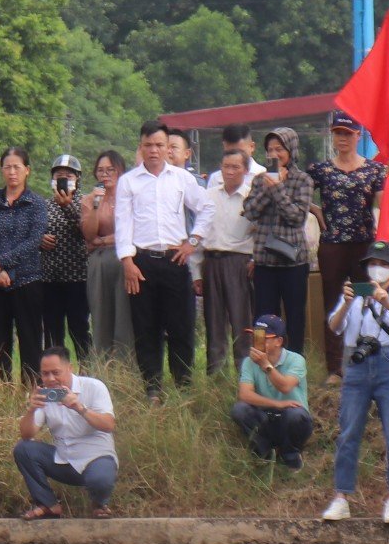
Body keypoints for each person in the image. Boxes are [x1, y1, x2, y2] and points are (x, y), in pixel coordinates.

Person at [322, 240, 389, 524]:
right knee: (348, 432)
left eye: (384, 265)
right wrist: (348, 302)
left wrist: (386, 301)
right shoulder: (354, 294)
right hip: (356, 364)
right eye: (374, 264)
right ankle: (341, 497)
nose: (378, 269)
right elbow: (334, 326)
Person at [116, 122, 207, 391]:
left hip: (175, 259)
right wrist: (127, 261)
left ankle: (183, 385)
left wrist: (192, 241)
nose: (154, 150)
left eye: (159, 145)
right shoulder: (128, 181)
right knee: (146, 327)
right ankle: (152, 387)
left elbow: (206, 208)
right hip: (141, 261)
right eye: (148, 145)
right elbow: (123, 223)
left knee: (181, 326)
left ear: (168, 148)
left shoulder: (181, 179)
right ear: (141, 147)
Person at [308, 110, 389, 379]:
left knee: (366, 299)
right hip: (332, 246)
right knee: (334, 303)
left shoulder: (373, 169)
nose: (342, 138)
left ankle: (366, 359)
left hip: (363, 247)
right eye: (338, 133)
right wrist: (317, 212)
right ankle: (334, 367)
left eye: (347, 133)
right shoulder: (320, 170)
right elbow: (299, 193)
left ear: (358, 136)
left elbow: (385, 201)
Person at [12, 346, 117, 519]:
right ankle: (48, 504)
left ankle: (99, 504)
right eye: (45, 374)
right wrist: (31, 410)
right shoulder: (45, 395)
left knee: (100, 480)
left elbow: (108, 425)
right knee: (23, 449)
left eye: (56, 372)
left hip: (96, 458)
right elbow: (26, 435)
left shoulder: (94, 387)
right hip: (64, 459)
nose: (51, 379)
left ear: (70, 368)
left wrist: (79, 407)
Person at [244, 126, 316, 357]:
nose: (275, 154)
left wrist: (279, 191)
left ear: (291, 150)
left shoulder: (303, 180)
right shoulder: (259, 180)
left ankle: (294, 362)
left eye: (280, 149)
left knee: (295, 316)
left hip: (293, 261)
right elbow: (250, 212)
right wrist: (269, 188)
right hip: (265, 261)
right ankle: (260, 360)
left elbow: (296, 217)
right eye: (270, 150)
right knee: (262, 319)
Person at [0, 148, 48, 378]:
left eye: (17, 166)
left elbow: (34, 241)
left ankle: (32, 388)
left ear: (27, 170)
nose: (12, 172)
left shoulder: (36, 203)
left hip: (28, 280)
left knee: (30, 338)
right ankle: (1, 387)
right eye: (7, 167)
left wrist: (1, 263)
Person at [196, 146, 258, 371]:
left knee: (242, 321)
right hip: (211, 261)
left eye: (235, 167)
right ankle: (215, 374)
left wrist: (256, 260)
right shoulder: (208, 196)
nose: (230, 172)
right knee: (213, 321)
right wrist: (196, 272)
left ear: (245, 170)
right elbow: (198, 234)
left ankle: (245, 373)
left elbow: (261, 231)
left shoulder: (253, 196)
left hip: (239, 263)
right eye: (225, 167)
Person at [229, 314, 312, 469]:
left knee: (296, 415)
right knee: (240, 410)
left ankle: (291, 455)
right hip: (266, 417)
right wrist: (277, 404)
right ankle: (265, 453)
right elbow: (244, 395)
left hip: (291, 417)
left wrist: (266, 366)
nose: (257, 341)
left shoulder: (296, 360)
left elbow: (286, 386)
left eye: (263, 337)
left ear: (279, 341)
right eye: (255, 336)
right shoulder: (249, 362)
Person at [82, 149, 133, 363]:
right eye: (101, 170)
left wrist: (104, 240)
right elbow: (88, 234)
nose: (106, 174)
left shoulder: (130, 196)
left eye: (111, 170)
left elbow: (133, 230)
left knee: (124, 315)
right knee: (100, 315)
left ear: (121, 171)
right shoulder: (89, 200)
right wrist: (95, 205)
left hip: (125, 260)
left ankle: (126, 365)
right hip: (99, 262)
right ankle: (103, 366)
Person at [39, 154, 90, 354]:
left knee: (79, 327)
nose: (63, 178)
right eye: (59, 175)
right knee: (52, 330)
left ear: (77, 179)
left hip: (77, 276)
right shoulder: (43, 205)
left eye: (69, 175)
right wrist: (40, 240)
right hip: (49, 278)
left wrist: (67, 206)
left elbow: (84, 231)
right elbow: (33, 232)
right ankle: (54, 374)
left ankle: (87, 370)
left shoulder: (85, 202)